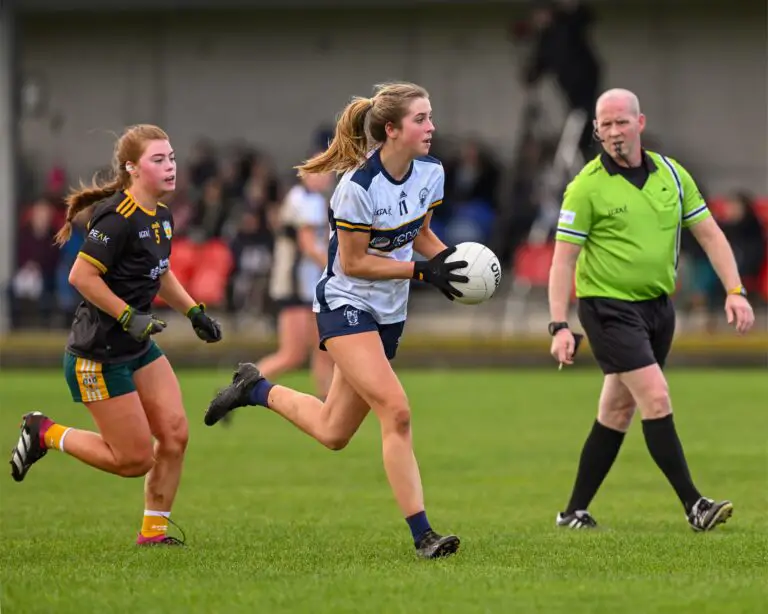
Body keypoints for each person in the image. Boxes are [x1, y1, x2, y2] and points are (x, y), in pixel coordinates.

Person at [204, 82, 468, 559]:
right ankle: (423, 535)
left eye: (431, 117)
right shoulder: (357, 187)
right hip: (344, 304)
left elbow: (422, 233)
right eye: (421, 119)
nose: (432, 127)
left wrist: (453, 265)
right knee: (398, 410)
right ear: (392, 130)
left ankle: (254, 389)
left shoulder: (431, 172)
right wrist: (421, 270)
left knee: (333, 432)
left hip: (389, 312)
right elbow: (354, 264)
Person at [548, 89, 755, 531]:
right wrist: (559, 326)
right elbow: (562, 260)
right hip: (607, 309)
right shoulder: (585, 186)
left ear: (640, 123)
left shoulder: (673, 175)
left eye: (621, 122)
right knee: (656, 397)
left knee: (617, 411)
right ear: (597, 131)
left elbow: (711, 234)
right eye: (604, 125)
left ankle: (572, 513)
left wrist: (734, 290)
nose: (614, 132)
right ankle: (695, 505)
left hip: (658, 310)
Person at [9, 124, 223, 546]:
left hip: (136, 346)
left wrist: (194, 310)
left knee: (176, 434)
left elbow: (160, 275)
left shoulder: (162, 216)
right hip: (98, 355)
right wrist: (128, 315)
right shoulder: (116, 216)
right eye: (158, 160)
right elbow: (81, 276)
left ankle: (153, 535)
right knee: (134, 460)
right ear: (132, 168)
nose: (170, 167)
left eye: (172, 157)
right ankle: (45, 433)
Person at [222, 166, 335, 429]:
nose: (323, 177)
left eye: (326, 173)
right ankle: (237, 389)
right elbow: (307, 246)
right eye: (318, 172)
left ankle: (327, 405)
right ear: (306, 174)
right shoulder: (301, 199)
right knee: (292, 354)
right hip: (295, 287)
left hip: (310, 287)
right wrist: (337, 268)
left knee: (324, 347)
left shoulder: (315, 200)